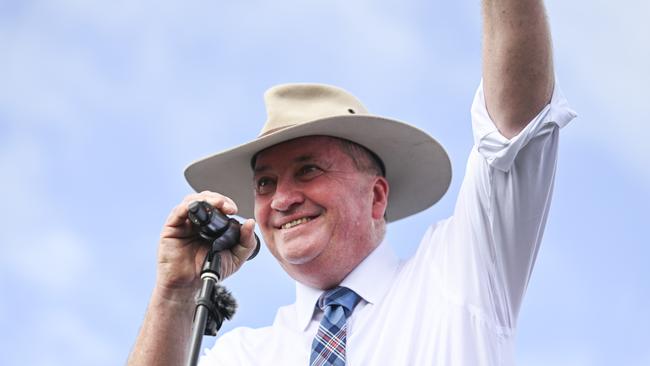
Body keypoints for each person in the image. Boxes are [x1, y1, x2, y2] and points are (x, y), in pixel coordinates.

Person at [128, 0, 576, 365]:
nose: (281, 199)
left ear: (377, 195)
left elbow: (516, 123)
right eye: (264, 183)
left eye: (308, 170)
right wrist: (175, 293)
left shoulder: (462, 273)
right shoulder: (243, 356)